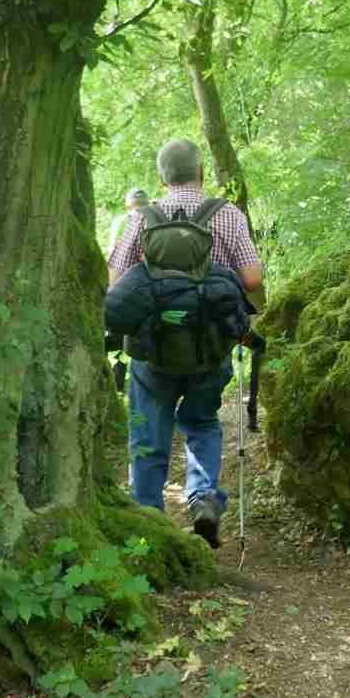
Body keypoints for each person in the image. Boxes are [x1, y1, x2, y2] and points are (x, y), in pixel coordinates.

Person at [107, 139, 263, 547]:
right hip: (211, 348)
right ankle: (204, 499)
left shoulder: (142, 218)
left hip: (151, 350)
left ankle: (147, 522)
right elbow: (251, 279)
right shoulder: (227, 214)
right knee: (202, 422)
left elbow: (115, 282)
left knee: (147, 434)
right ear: (202, 172)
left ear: (162, 178)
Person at [107, 187, 148, 257]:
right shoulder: (151, 220)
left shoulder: (119, 221)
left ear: (127, 205)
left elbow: (112, 248)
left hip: (121, 261)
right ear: (147, 204)